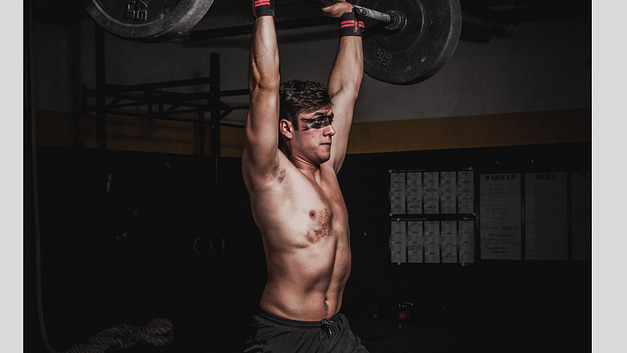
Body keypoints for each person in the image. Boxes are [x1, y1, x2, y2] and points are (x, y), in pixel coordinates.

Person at [241, 0, 367, 352]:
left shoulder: (328, 167)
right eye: (316, 123)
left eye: (328, 121)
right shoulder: (270, 176)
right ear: (286, 128)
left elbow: (347, 89)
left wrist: (350, 19)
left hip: (336, 331)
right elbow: (264, 85)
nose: (329, 131)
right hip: (286, 335)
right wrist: (263, 8)